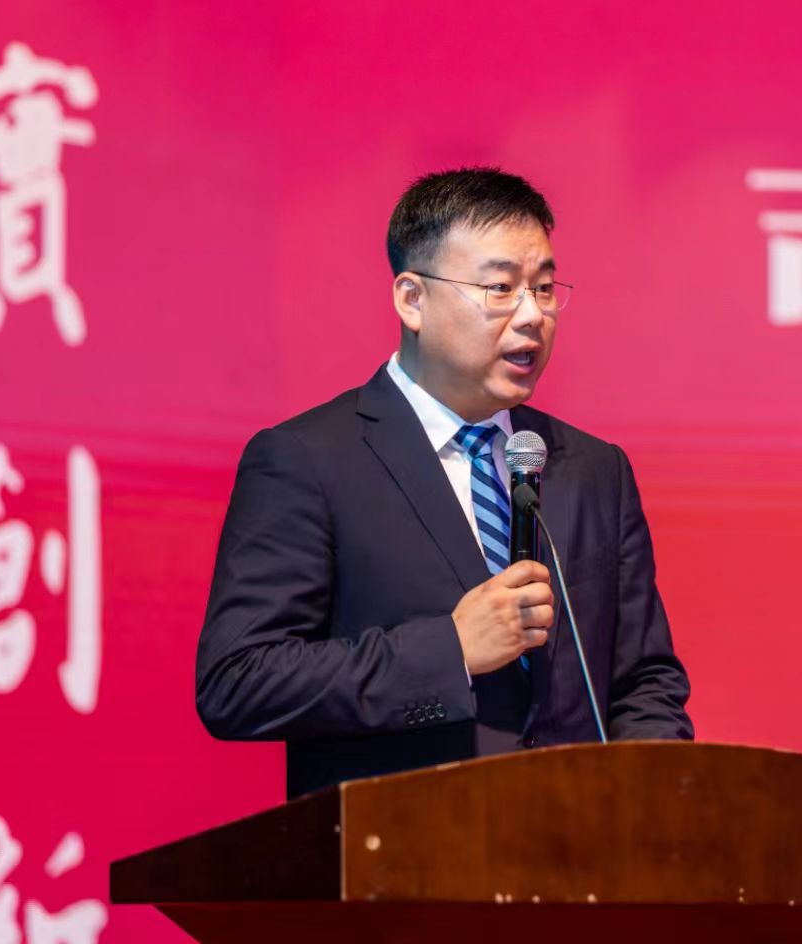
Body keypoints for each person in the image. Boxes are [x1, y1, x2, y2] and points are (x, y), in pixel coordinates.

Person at [196, 168, 692, 799]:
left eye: (544, 288)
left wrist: (650, 807)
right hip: (402, 847)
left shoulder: (594, 469)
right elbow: (239, 681)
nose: (532, 315)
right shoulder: (308, 460)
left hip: (579, 847)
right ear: (413, 300)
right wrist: (450, 649)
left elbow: (644, 681)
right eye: (500, 288)